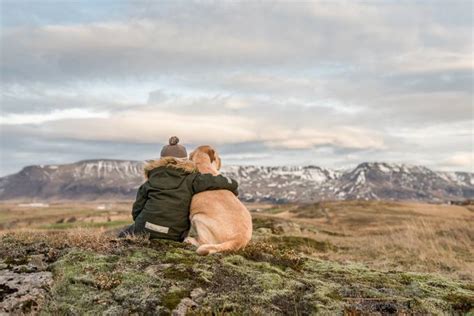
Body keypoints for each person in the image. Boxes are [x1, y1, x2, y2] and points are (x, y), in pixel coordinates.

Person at [118, 136, 239, 241]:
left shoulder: (151, 179)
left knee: (122, 234)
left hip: (144, 229)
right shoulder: (193, 179)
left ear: (161, 160)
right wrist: (232, 184)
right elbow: (219, 181)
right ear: (185, 160)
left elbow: (137, 209)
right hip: (174, 234)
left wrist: (143, 223)